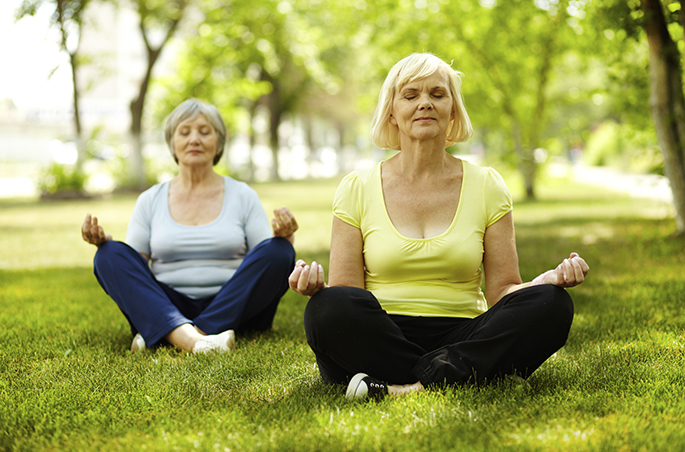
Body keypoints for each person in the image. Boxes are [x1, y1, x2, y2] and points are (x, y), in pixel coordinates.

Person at [289, 53, 589, 399]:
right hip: (381, 333)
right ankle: (473, 372)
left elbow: (503, 291)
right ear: (392, 112)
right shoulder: (357, 187)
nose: (425, 104)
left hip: (462, 331)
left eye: (437, 94)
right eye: (411, 95)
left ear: (453, 110)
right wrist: (319, 291)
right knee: (328, 308)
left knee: (553, 304)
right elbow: (349, 292)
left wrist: (545, 281)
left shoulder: (487, 185)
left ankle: (406, 387)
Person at [82, 99, 298, 354]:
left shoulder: (242, 195)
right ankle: (194, 340)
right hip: (168, 303)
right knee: (109, 255)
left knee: (280, 251)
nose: (194, 139)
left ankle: (167, 333)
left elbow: (265, 263)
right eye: (184, 132)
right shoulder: (150, 199)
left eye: (204, 132)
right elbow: (136, 272)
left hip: (233, 306)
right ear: (172, 143)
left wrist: (285, 237)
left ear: (219, 142)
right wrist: (108, 247)